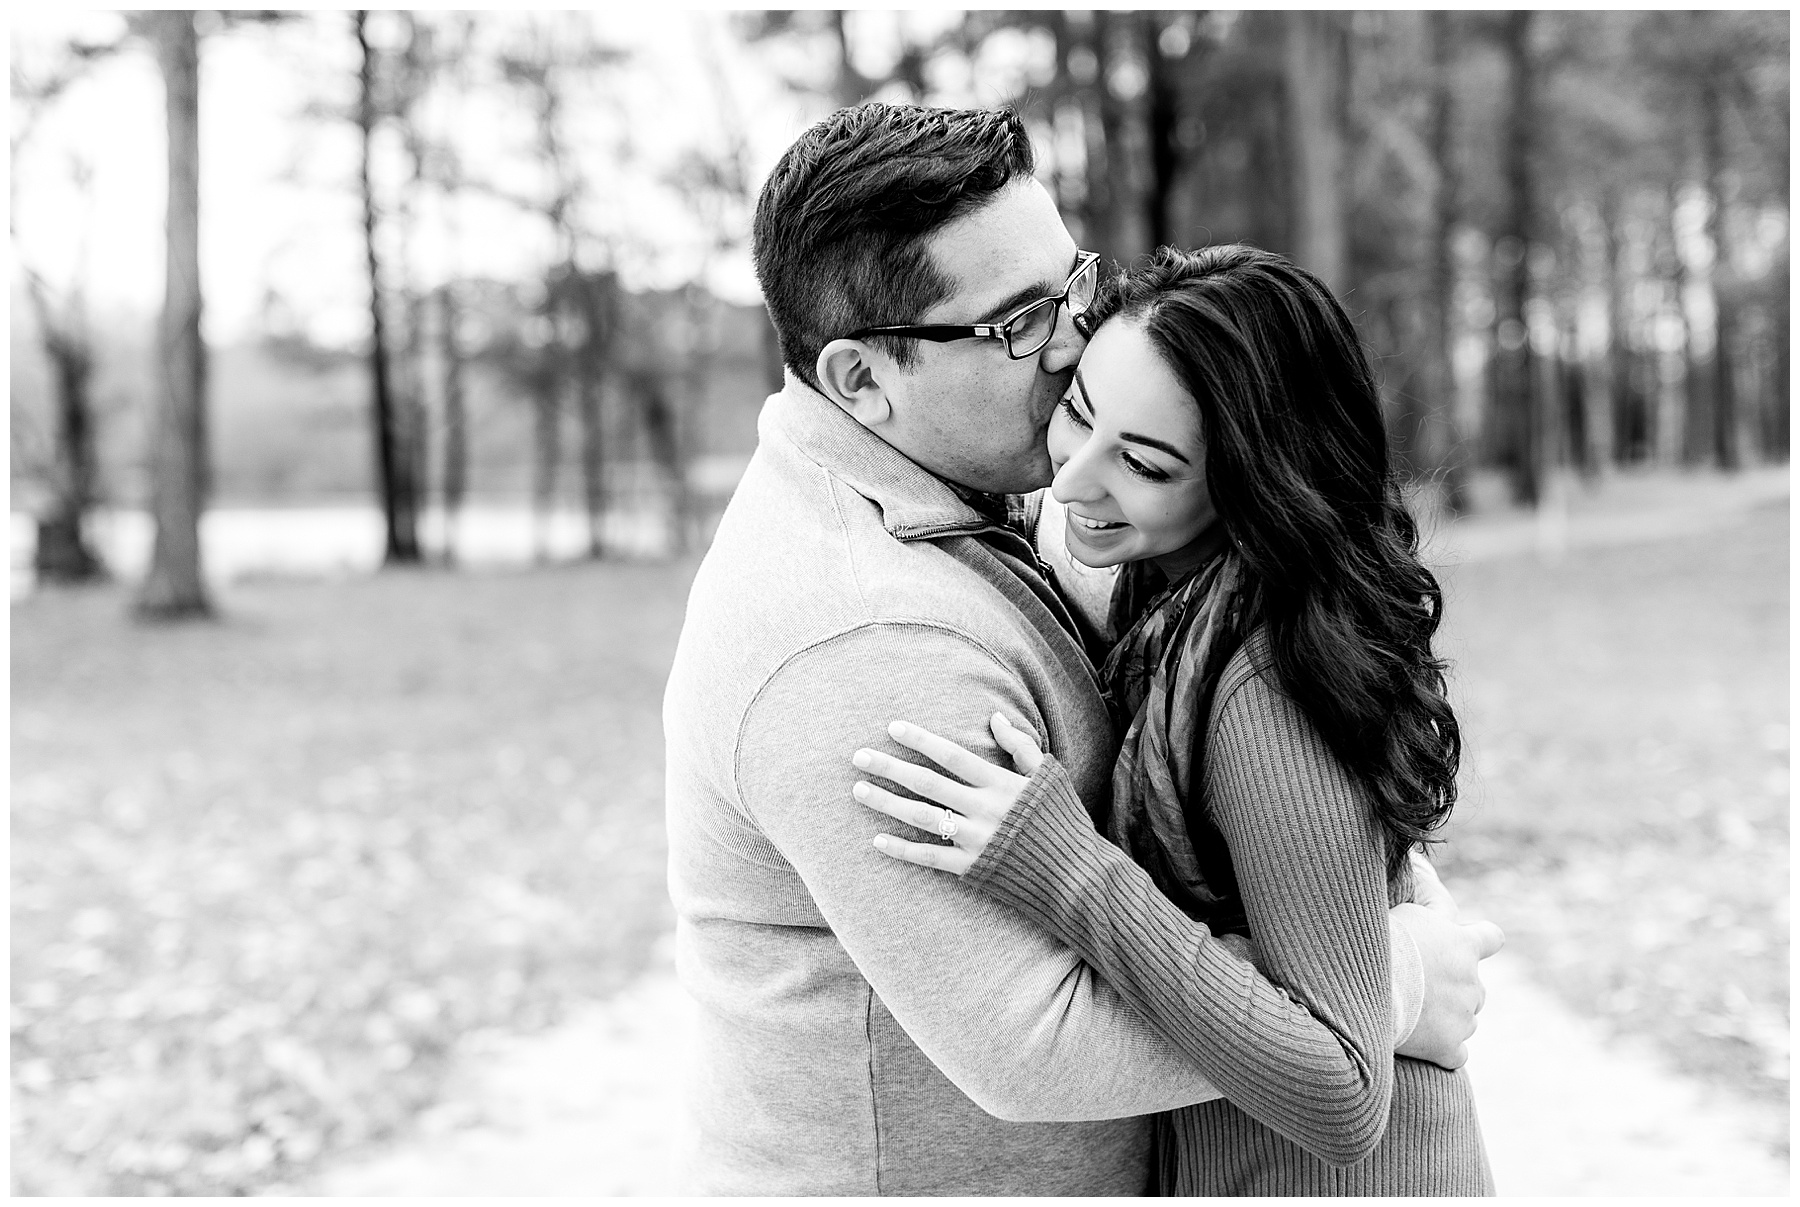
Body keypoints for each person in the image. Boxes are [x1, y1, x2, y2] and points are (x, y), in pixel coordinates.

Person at [662, 103, 1501, 1196]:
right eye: (1016, 323)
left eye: (1073, 288)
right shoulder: (863, 637)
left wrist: (1359, 887)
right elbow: (1038, 1036)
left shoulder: (960, 481)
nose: (1068, 345)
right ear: (863, 379)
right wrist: (1384, 978)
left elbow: (1274, 739)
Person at [852, 245, 1493, 1194]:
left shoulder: (1261, 691)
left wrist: (1068, 868)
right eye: (1078, 412)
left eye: (1145, 463)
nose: (1073, 481)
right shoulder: (1171, 600)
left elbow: (1343, 1088)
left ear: (1252, 487)